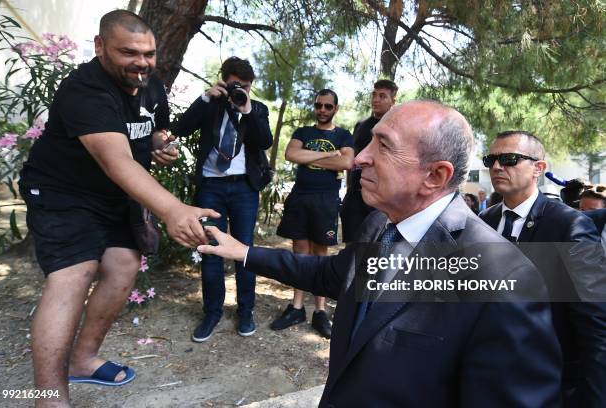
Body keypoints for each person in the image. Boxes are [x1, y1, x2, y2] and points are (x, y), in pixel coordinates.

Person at [198, 101, 562, 407]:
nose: (360, 159)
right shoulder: (378, 225)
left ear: (435, 176)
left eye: (383, 146)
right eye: (369, 142)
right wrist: (244, 252)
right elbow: (328, 276)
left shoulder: (503, 279)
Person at [18, 10, 217, 407]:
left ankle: (83, 360)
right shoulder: (84, 91)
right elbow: (117, 161)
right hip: (62, 192)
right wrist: (173, 208)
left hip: (112, 195)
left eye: (149, 53)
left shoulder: (150, 84)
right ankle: (49, 398)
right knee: (75, 273)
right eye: (129, 52)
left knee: (123, 266)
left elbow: (154, 128)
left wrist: (160, 144)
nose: (142, 63)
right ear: (99, 46)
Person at [479, 130, 606, 407]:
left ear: (539, 168)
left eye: (510, 159)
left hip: (550, 384)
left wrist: (596, 396)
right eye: (491, 160)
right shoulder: (482, 221)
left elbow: (594, 320)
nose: (498, 167)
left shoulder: (570, 225)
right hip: (487, 379)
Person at [172, 57, 273, 342]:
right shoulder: (210, 105)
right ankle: (212, 313)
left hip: (244, 188)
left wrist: (248, 110)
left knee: (244, 251)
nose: (240, 91)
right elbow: (180, 129)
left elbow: (264, 141)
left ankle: (246, 312)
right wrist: (205, 97)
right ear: (223, 81)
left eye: (246, 87)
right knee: (210, 249)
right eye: (235, 86)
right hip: (211, 188)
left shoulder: (257, 109)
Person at [273, 89, 353, 338]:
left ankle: (320, 312)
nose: (322, 110)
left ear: (335, 109)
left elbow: (346, 163)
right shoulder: (303, 133)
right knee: (300, 252)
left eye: (328, 106)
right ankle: (296, 308)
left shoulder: (343, 135)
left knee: (320, 254)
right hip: (300, 197)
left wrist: (310, 158)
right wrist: (329, 155)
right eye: (319, 105)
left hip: (326, 200)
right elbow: (291, 154)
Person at [341, 79, 397, 242]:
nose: (376, 99)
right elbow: (351, 159)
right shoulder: (360, 125)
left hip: (381, 199)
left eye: (382, 96)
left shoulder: (397, 126)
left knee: (377, 250)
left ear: (393, 101)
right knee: (352, 249)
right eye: (374, 95)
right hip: (355, 196)